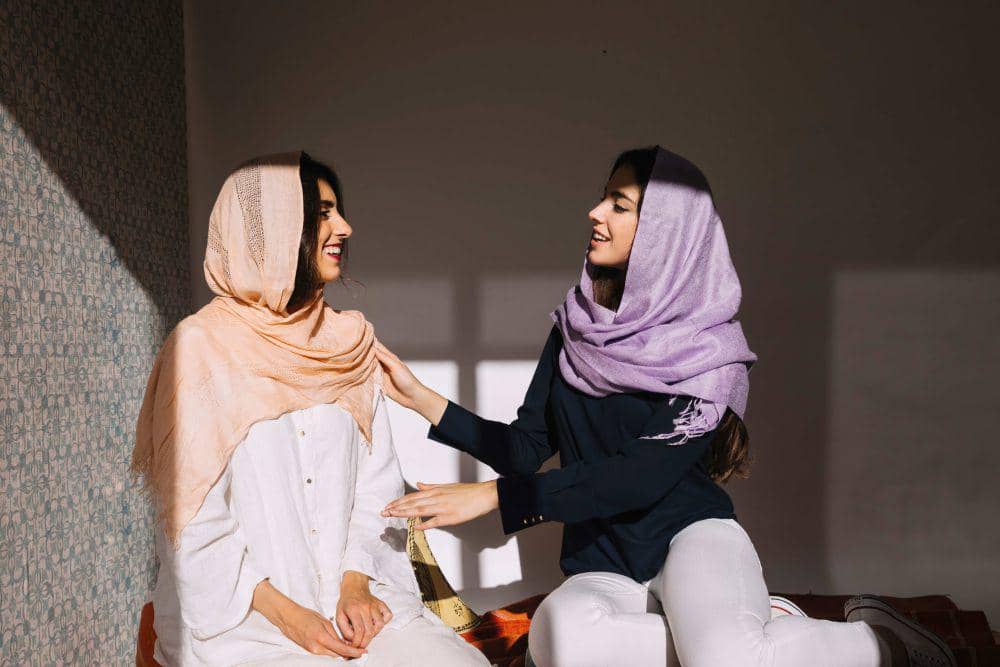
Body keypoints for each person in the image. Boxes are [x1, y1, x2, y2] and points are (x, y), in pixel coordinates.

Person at [376, 146, 956, 667]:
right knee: (562, 639)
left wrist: (495, 497)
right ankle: (753, 632)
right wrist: (422, 399)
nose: (595, 213)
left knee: (726, 660)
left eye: (619, 204)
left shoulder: (708, 352)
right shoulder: (575, 328)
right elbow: (526, 449)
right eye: (604, 197)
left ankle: (881, 642)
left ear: (666, 232)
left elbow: (636, 475)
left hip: (691, 537)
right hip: (602, 561)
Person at [131, 152, 490, 667]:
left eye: (337, 211)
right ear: (276, 226)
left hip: (356, 598)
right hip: (244, 619)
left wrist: (355, 583)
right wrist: (291, 617)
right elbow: (193, 521)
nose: (345, 227)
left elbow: (377, 485)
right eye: (322, 213)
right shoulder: (200, 351)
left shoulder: (349, 342)